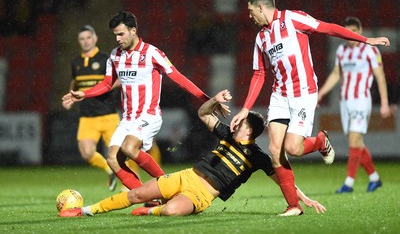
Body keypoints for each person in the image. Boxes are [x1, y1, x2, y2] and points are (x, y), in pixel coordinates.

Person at [230, 0, 390, 216]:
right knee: (275, 151)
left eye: (250, 11)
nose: (249, 16)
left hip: (303, 92)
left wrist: (365, 40)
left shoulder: (292, 19)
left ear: (260, 7)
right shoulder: (261, 38)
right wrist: (245, 109)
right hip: (280, 95)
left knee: (292, 148)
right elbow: (259, 74)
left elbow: (328, 27)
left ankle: (320, 141)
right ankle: (293, 206)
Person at [59, 90, 326, 218]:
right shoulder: (225, 133)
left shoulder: (258, 157)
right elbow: (203, 113)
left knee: (172, 212)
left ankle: (153, 211)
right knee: (136, 194)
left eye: (240, 123)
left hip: (201, 195)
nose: (234, 123)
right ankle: (85, 210)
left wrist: (302, 198)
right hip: (187, 176)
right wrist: (215, 100)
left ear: (249, 130)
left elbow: (282, 178)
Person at [62, 11, 225, 192]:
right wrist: (84, 94)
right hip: (127, 119)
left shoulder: (152, 53)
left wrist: (208, 101)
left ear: (133, 31)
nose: (117, 39)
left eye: (121, 34)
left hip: (149, 115)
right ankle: (146, 196)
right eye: (115, 34)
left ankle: (169, 186)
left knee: (129, 148)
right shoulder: (115, 55)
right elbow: (107, 84)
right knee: (113, 160)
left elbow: (179, 78)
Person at [318, 16, 390, 193]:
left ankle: (348, 183)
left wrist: (385, 103)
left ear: (361, 31)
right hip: (346, 102)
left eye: (354, 32)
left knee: (353, 140)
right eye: (348, 32)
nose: (351, 36)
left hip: (360, 100)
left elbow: (380, 76)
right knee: (358, 142)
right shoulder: (342, 50)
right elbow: (336, 74)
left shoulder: (370, 51)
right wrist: (321, 93)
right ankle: (374, 178)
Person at [62, 25, 120, 191]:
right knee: (87, 154)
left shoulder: (106, 59)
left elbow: (120, 80)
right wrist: (71, 97)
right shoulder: (76, 62)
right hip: (87, 116)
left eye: (88, 38)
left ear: (95, 39)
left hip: (108, 114)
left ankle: (127, 188)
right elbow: (75, 82)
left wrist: (104, 88)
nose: (85, 41)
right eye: (82, 39)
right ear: (79, 42)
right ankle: (109, 169)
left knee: (120, 154)